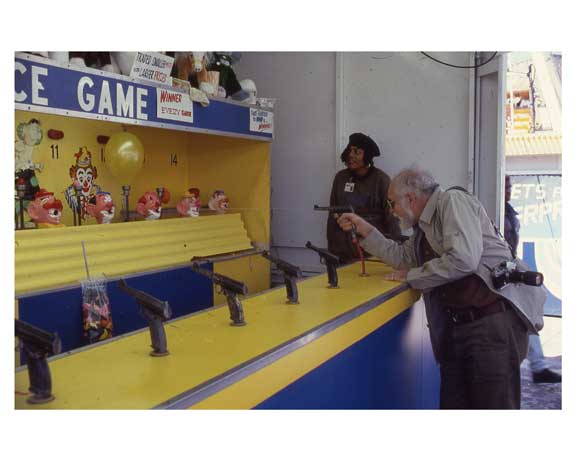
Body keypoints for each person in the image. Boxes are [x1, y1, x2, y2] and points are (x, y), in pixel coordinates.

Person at [337, 167, 545, 409]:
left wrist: (412, 277)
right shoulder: (424, 227)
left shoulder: (452, 202)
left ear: (410, 198)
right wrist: (366, 230)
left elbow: (463, 259)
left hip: (490, 328)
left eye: (392, 203)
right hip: (457, 330)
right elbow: (403, 258)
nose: (392, 211)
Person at [504, 175, 561, 383]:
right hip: (502, 274)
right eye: (505, 186)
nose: (509, 189)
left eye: (510, 186)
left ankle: (539, 366)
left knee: (529, 315)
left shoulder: (509, 211)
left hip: (514, 270)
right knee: (522, 318)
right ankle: (535, 366)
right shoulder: (492, 211)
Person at [327, 133, 401, 263]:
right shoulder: (340, 178)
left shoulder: (381, 180)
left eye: (357, 152)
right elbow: (332, 214)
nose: (351, 155)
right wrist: (331, 250)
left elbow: (392, 218)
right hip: (342, 251)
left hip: (372, 252)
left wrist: (394, 253)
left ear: (367, 157)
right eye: (350, 150)